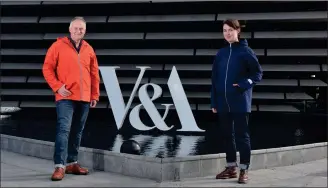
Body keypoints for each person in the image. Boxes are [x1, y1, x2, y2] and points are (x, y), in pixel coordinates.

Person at [42, 16, 100, 181]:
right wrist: (58, 86)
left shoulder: (89, 49)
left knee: (77, 132)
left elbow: (94, 74)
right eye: (75, 28)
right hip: (65, 97)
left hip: (84, 97)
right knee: (64, 130)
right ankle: (59, 166)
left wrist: (94, 94)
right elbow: (47, 68)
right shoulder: (57, 46)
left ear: (85, 31)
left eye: (81, 28)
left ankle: (72, 163)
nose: (78, 31)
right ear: (70, 29)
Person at [210, 19, 263, 184]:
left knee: (242, 137)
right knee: (227, 136)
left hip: (240, 102)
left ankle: (244, 169)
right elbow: (214, 80)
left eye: (230, 30)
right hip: (223, 102)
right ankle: (231, 167)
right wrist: (214, 102)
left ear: (238, 31)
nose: (227, 33)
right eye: (224, 30)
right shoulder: (221, 53)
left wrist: (242, 85)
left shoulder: (246, 51)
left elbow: (257, 74)